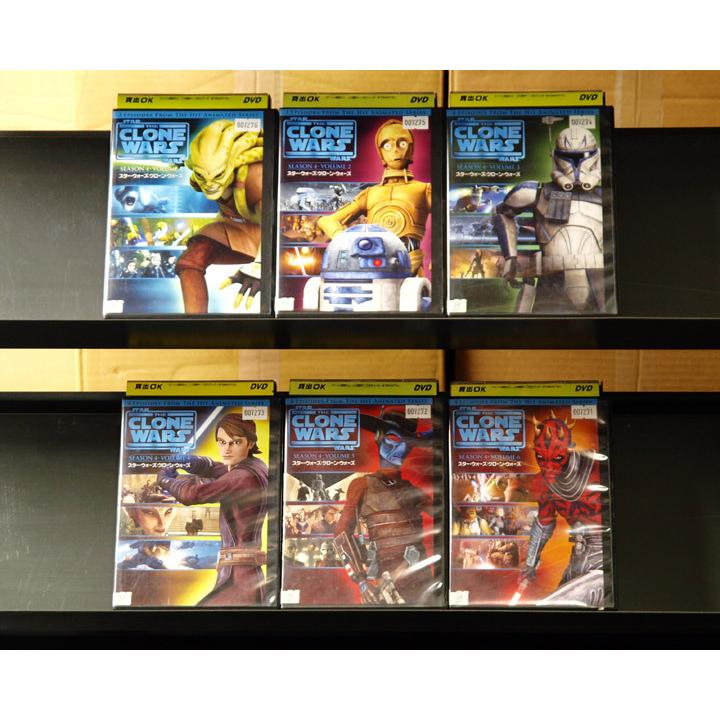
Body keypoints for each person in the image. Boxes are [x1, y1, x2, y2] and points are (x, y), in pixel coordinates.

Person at [157, 414, 268, 606]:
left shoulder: (242, 476)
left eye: (235, 442)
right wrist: (189, 462)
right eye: (221, 442)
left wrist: (166, 480)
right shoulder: (256, 465)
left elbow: (192, 495)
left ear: (250, 443)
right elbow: (219, 468)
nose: (226, 449)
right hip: (241, 573)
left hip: (239, 577)